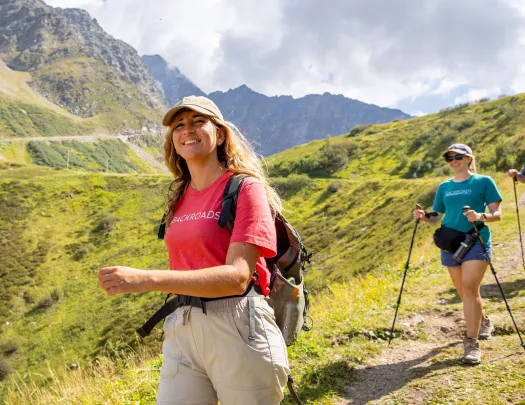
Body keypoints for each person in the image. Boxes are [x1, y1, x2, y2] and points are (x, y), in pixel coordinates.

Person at [98, 96, 289, 404]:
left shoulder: (245, 188)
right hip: (183, 324)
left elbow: (238, 276)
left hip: (238, 324)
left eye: (199, 122)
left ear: (221, 133)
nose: (188, 130)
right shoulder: (179, 196)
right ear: (173, 139)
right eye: (179, 125)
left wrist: (148, 279)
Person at [413, 143, 502, 365]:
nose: (453, 161)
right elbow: (436, 216)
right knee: (463, 292)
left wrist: (480, 216)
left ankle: (471, 343)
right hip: (450, 243)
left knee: (471, 289)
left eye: (458, 156)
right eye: (449, 158)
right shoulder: (444, 186)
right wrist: (423, 216)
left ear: (469, 158)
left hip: (476, 240)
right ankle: (483, 321)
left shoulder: (484, 181)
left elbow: (497, 214)